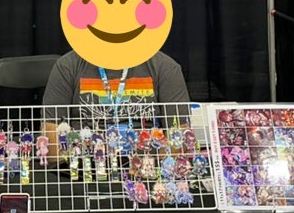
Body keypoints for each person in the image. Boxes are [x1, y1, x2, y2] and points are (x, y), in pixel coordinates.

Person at [42, 49, 189, 153]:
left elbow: (178, 137)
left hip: (149, 169)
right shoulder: (68, 66)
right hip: (80, 169)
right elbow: (52, 141)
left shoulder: (164, 66)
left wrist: (158, 173)